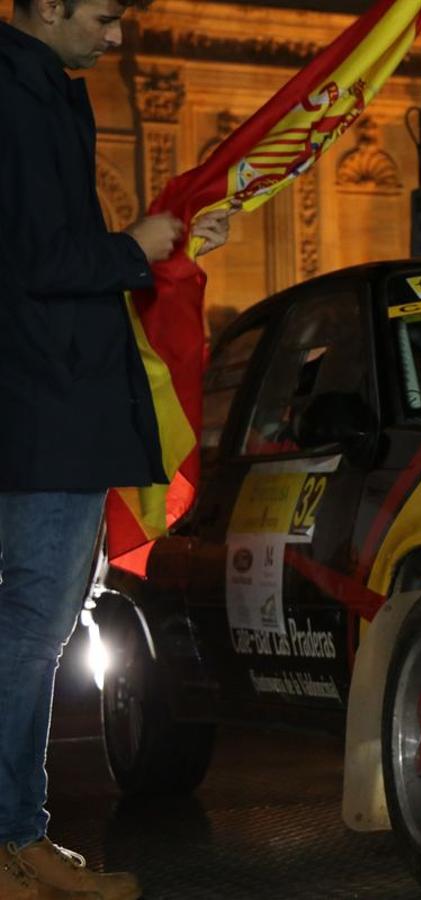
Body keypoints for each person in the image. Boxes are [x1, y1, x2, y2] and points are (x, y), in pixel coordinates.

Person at [0, 1, 232, 897]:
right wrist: (130, 250)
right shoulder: (20, 95)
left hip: (48, 397)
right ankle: (15, 845)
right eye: (101, 14)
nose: (115, 36)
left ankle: (20, 841)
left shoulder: (41, 88)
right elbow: (36, 259)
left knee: (30, 629)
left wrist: (148, 252)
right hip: (47, 404)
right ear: (46, 4)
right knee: (30, 632)